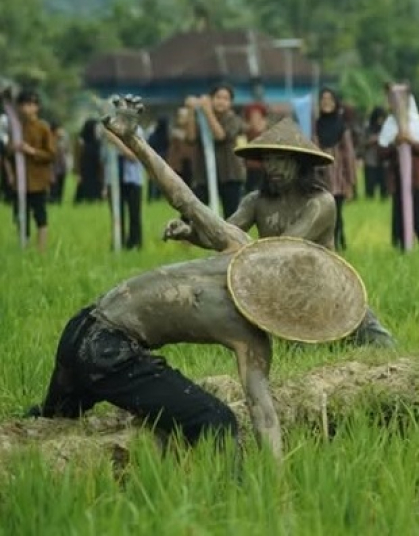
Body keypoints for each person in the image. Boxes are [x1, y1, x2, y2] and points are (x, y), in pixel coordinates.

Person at [25, 96, 351, 460]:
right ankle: (240, 489)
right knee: (218, 423)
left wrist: (134, 139)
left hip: (78, 329)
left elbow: (184, 197)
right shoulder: (250, 320)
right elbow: (263, 415)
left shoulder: (240, 249)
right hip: (108, 350)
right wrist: (133, 140)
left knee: (54, 420)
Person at [164, 116, 395, 348]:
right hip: (279, 290)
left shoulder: (320, 203)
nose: (273, 167)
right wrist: (191, 232)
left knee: (379, 342)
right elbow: (226, 236)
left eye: (282, 160)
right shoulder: (255, 202)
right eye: (268, 160)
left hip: (325, 288)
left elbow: (285, 247)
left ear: (300, 164)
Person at [379, 92, 419, 251]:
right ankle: (401, 247)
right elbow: (381, 152)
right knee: (399, 215)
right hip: (398, 178)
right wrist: (395, 142)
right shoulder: (390, 124)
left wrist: (412, 142)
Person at [6, 89, 56, 251]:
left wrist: (31, 151)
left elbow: (51, 154)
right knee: (21, 216)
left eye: (30, 104)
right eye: (23, 105)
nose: (26, 108)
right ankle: (24, 246)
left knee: (40, 216)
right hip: (20, 182)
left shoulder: (43, 128)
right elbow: (7, 153)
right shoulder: (16, 128)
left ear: (36, 107)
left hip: (38, 181)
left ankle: (41, 249)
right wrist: (12, 149)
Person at [185, 84, 246, 218]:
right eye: (218, 97)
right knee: (192, 211)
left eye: (226, 99)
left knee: (231, 216)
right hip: (204, 175)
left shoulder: (233, 119)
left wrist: (208, 111)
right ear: (211, 99)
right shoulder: (202, 118)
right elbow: (190, 138)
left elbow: (220, 136)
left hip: (230, 174)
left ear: (230, 103)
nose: (221, 102)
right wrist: (191, 111)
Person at [314, 88, 358, 250]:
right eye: (323, 99)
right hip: (319, 176)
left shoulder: (342, 126)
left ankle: (339, 243)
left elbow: (349, 155)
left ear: (335, 103)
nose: (326, 102)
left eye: (330, 99)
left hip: (338, 177)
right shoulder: (315, 125)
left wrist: (351, 182)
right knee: (321, 213)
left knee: (336, 213)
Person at [102, 123, 145, 249]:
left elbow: (134, 156)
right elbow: (105, 158)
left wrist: (116, 141)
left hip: (133, 179)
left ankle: (135, 244)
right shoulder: (108, 133)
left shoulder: (136, 130)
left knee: (134, 215)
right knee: (116, 215)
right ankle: (118, 243)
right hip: (113, 179)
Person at [363, 107, 389, 200]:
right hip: (371, 159)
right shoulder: (368, 128)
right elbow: (362, 143)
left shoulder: (387, 128)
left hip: (384, 159)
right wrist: (372, 140)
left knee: (384, 183)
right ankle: (370, 198)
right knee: (370, 182)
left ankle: (384, 197)